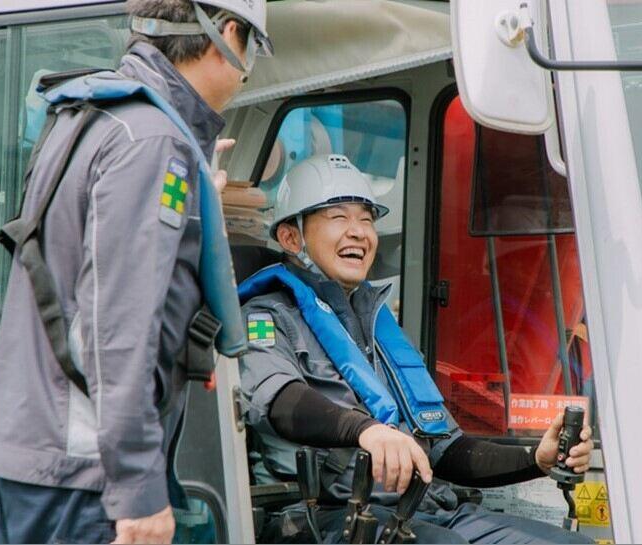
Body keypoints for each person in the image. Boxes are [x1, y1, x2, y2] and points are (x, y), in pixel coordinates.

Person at [0, 1, 271, 543]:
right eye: (253, 48)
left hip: (46, 458)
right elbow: (117, 325)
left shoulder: (96, 115)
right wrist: (138, 488)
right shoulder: (152, 140)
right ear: (229, 33)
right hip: (88, 471)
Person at [237, 153, 595, 544]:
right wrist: (367, 431)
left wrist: (535, 459)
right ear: (291, 238)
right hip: (327, 516)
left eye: (367, 220)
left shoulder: (380, 328)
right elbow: (278, 400)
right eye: (338, 217)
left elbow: (446, 449)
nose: (358, 232)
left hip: (424, 508)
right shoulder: (267, 317)